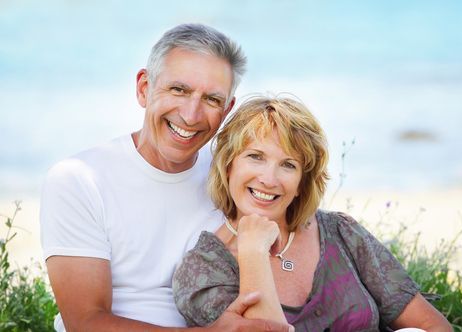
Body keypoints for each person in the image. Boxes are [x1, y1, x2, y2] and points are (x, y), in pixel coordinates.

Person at [40, 24, 291, 332]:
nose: (191, 115)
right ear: (144, 88)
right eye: (178, 90)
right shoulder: (79, 179)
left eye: (212, 99)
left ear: (227, 110)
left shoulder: (233, 178)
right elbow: (85, 322)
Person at [172, 96, 453, 331]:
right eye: (255, 157)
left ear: (301, 183)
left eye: (288, 165)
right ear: (228, 166)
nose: (269, 179)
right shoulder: (203, 270)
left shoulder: (341, 232)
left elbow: (433, 326)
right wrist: (253, 251)